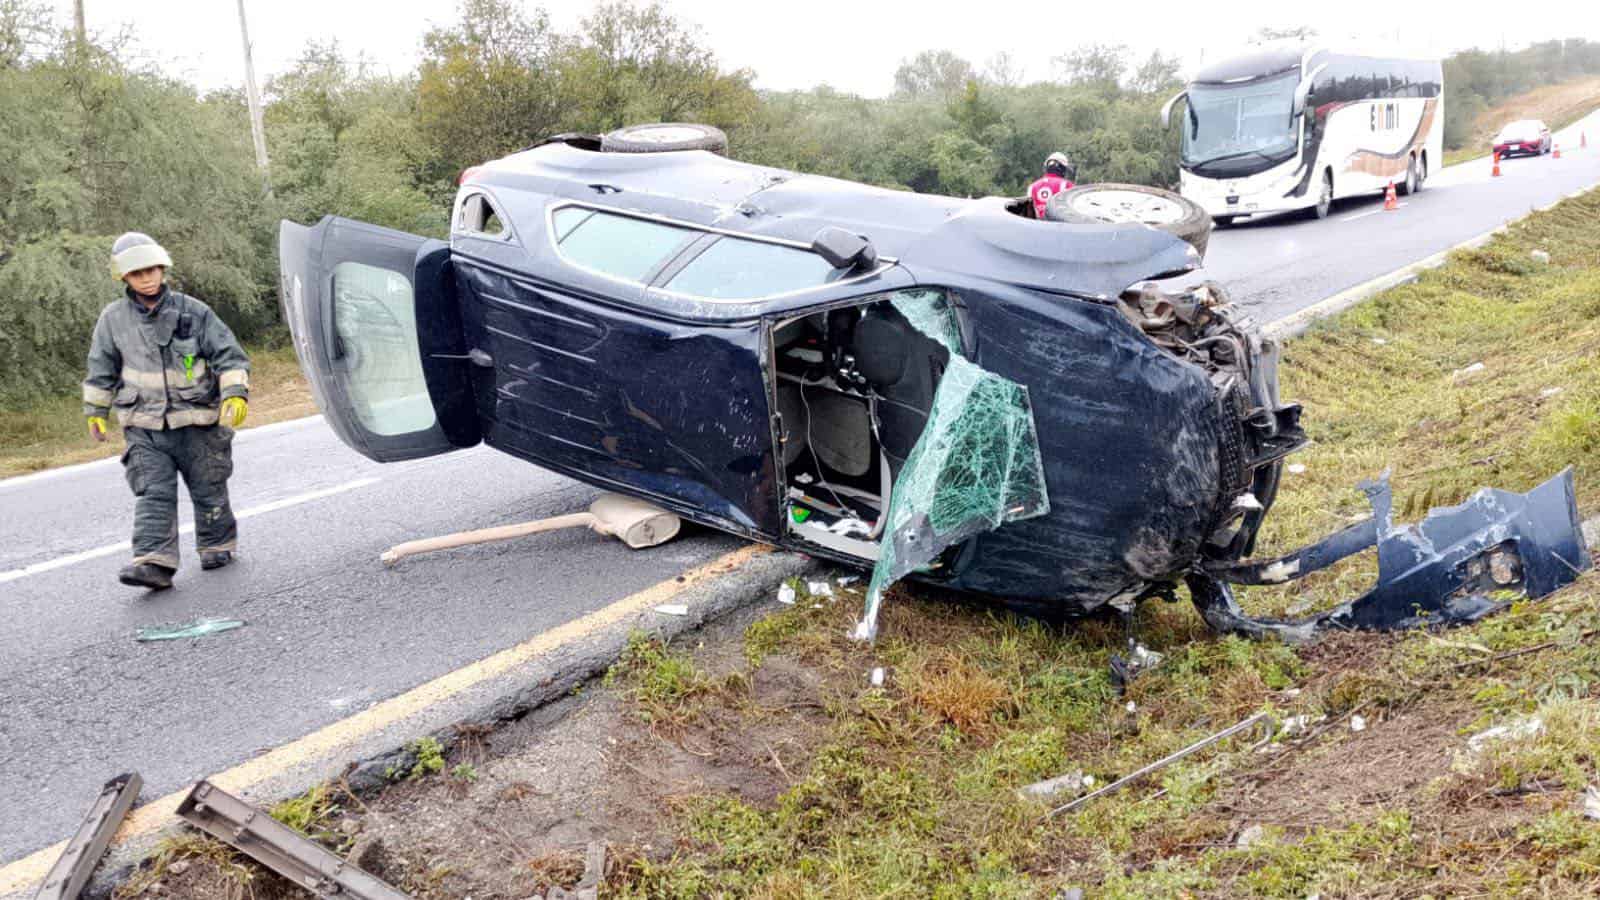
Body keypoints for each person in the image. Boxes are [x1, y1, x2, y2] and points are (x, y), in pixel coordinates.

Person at [83, 233, 251, 590]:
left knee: (209, 485)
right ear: (123, 277)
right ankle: (154, 562)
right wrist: (95, 410)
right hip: (143, 425)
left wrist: (235, 393)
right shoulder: (112, 319)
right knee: (152, 492)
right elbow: (101, 368)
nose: (146, 278)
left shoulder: (194, 311)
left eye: (151, 270)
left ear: (162, 268)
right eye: (137, 273)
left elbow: (229, 356)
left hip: (198, 421)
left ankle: (217, 544)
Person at [1029, 152, 1077, 218]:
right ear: (1062, 168)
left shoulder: (1032, 187)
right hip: (1057, 224)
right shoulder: (1067, 185)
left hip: (1035, 224)